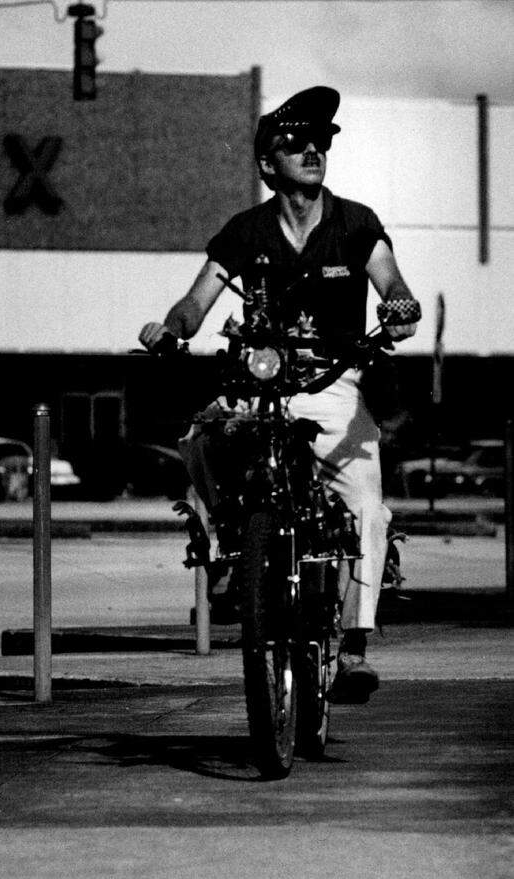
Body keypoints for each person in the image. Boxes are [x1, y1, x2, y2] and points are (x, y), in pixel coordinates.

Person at [139, 86, 419, 704]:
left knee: (368, 509)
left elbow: (392, 281)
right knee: (200, 440)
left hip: (332, 384)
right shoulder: (246, 231)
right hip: (261, 384)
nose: (312, 150)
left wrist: (400, 307)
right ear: (269, 163)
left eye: (320, 141)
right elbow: (196, 301)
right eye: (297, 143)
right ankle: (228, 547)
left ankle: (354, 648)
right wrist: (171, 329)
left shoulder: (356, 223)